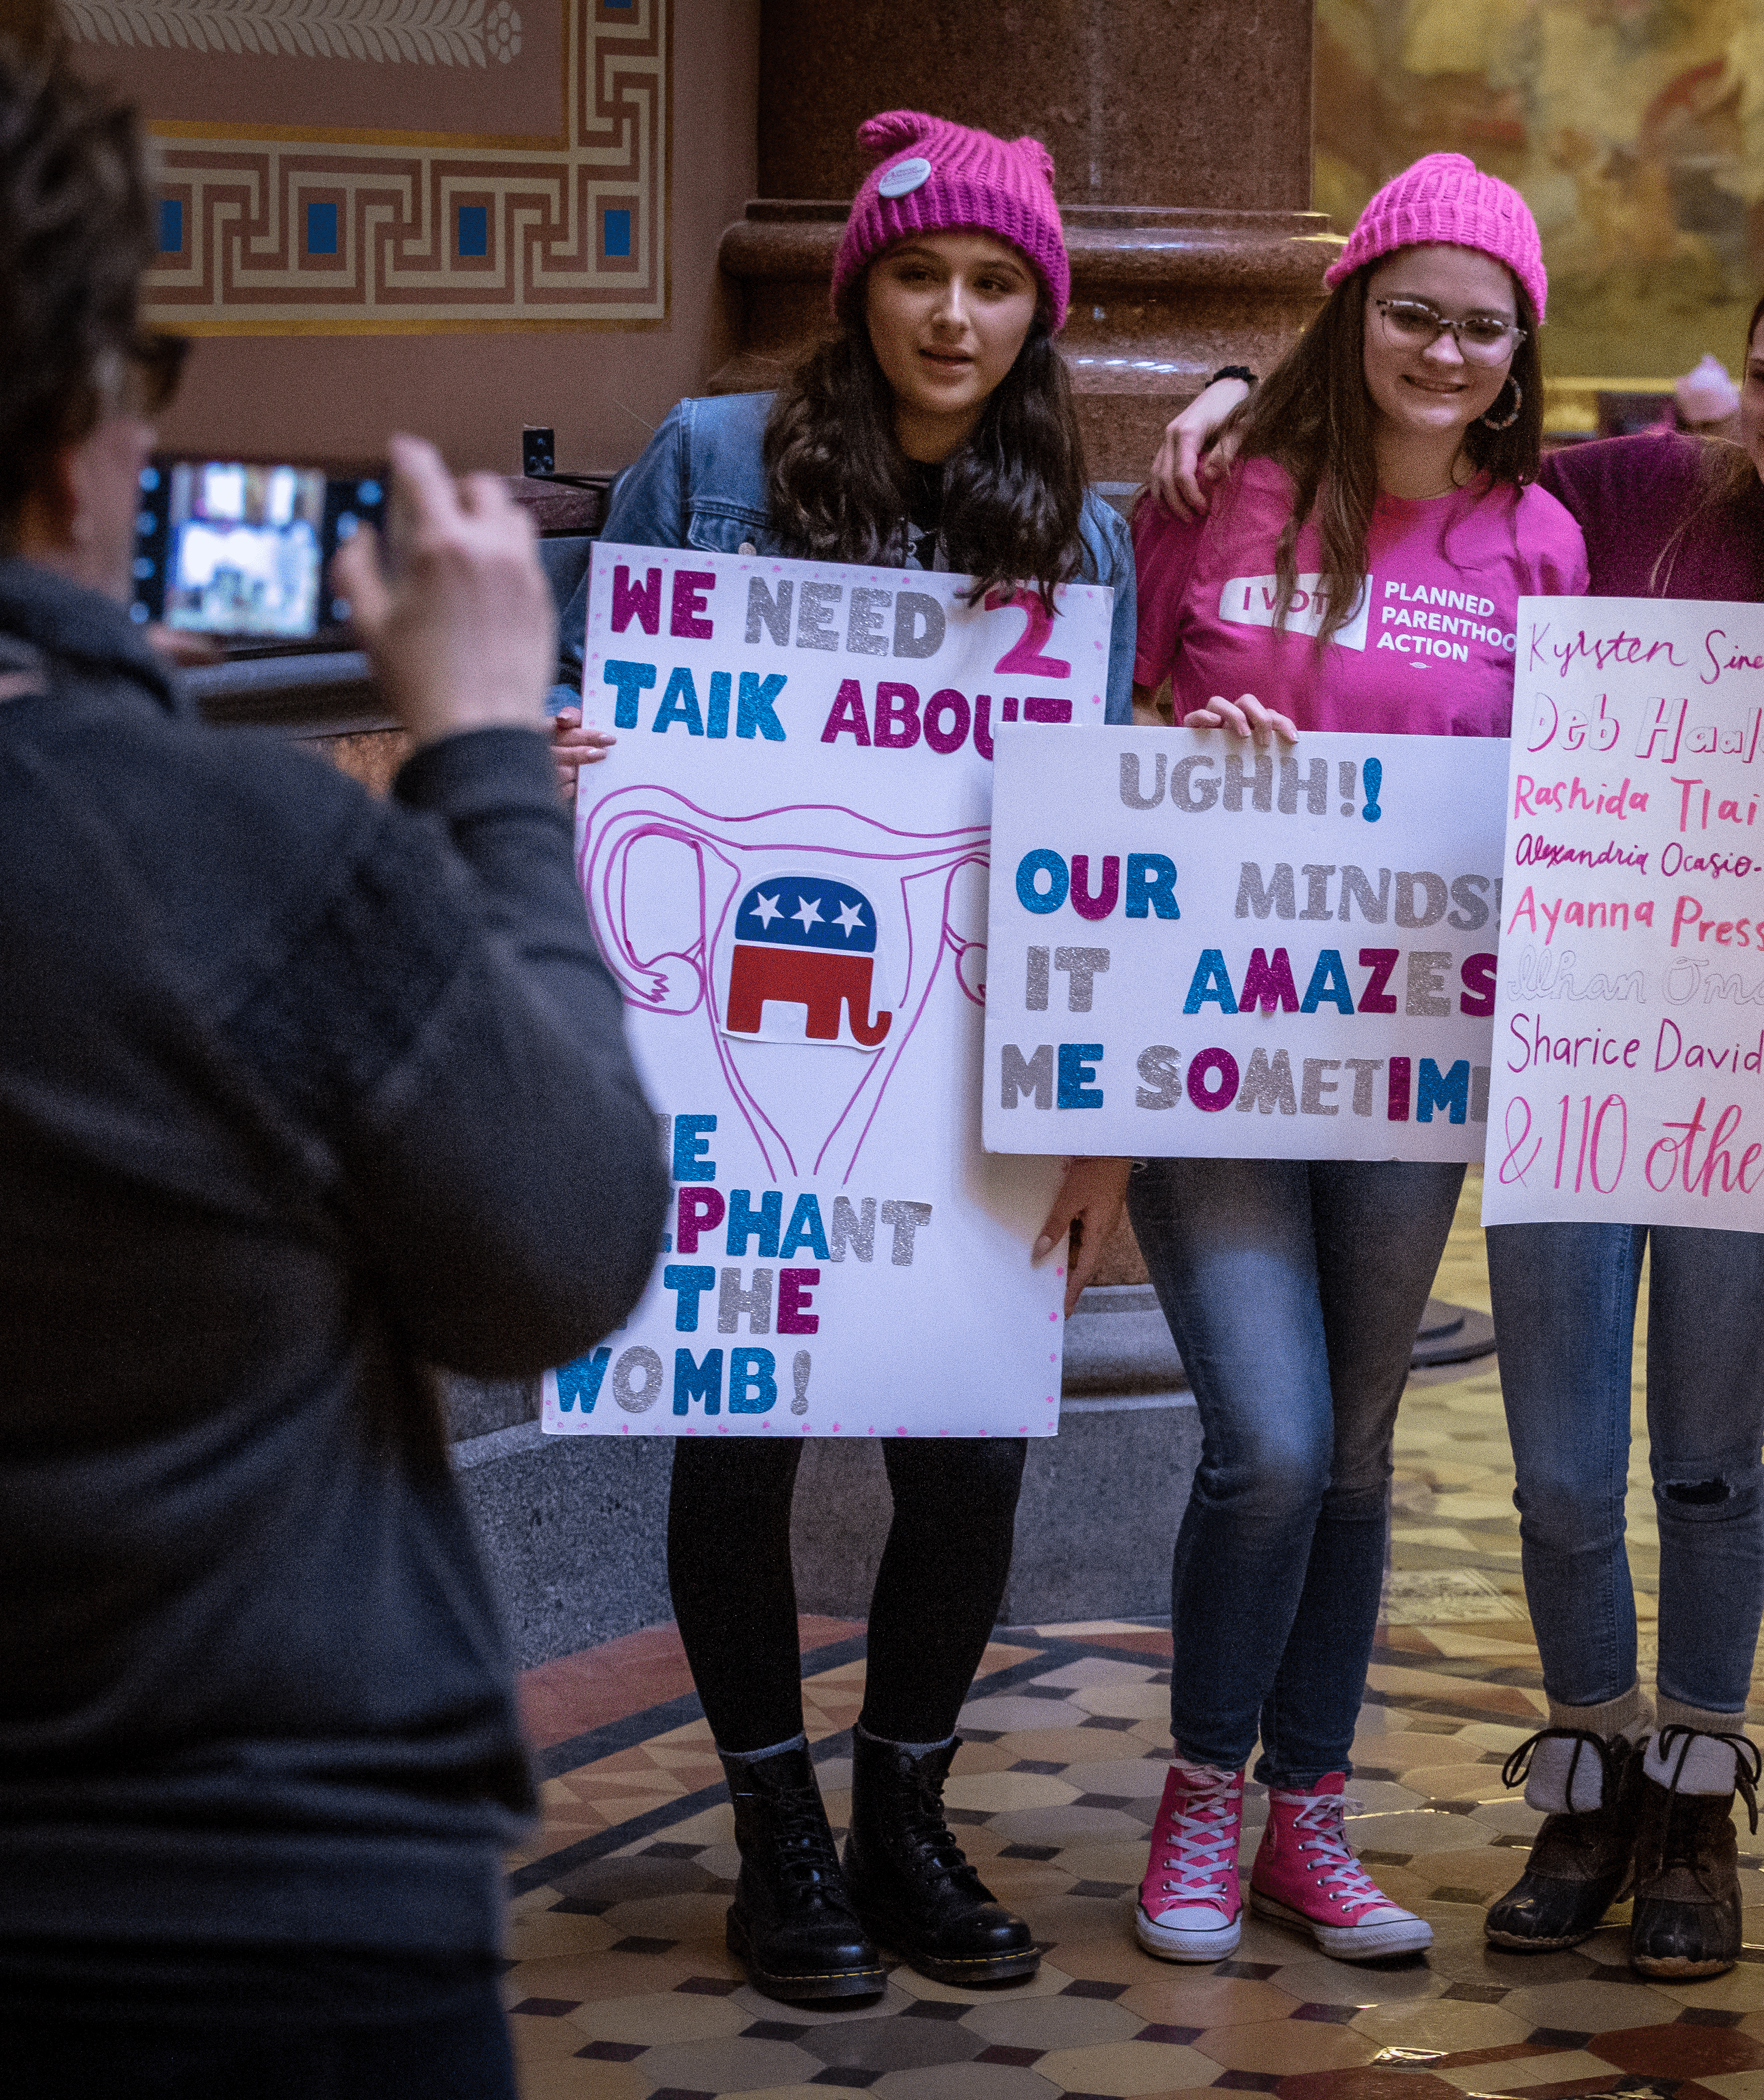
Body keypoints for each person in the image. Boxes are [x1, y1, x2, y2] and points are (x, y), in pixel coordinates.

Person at [0, 17, 665, 2097]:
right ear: (72, 432)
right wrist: (482, 756)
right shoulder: (245, 858)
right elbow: (558, 1249)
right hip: (256, 1939)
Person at [1157, 241, 1764, 1983]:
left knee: (1708, 1470)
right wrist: (1220, 390)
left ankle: (1698, 1815)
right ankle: (1588, 1785)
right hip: (1563, 1048)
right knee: (1564, 1476)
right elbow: (1417, 446)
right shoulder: (1640, 489)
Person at [553, 109, 1137, 2000]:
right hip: (730, 1046)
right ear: (858, 288)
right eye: (917, 275)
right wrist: (568, 750)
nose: (952, 317)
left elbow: (1094, 856)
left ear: (1035, 313)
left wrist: (1098, 1131)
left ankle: (904, 1806)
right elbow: (588, 714)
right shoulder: (709, 467)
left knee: (965, 1466)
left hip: (966, 1065)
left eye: (991, 284)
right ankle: (774, 1829)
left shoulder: (1084, 537)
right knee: (734, 1454)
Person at [1118, 154, 1587, 1966]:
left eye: (1485, 326)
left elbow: (1573, 785)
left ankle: (1312, 1817)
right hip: (1210, 1038)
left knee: (1365, 1453)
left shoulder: (1535, 539)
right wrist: (1175, 725)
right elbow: (1097, 724)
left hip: (1408, 1050)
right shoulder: (1216, 494)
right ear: (1356, 310)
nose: (1446, 351)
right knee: (1272, 1443)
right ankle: (1200, 1799)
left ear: (1521, 345)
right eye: (1415, 314)